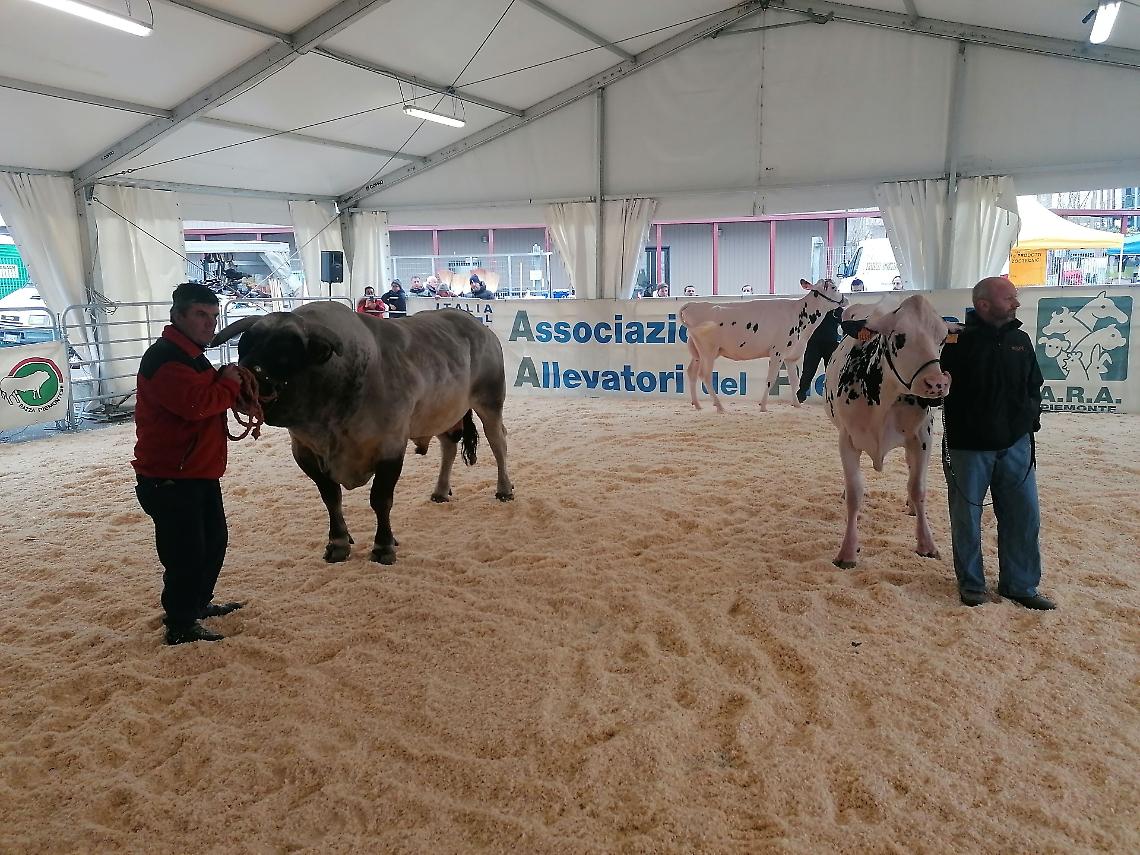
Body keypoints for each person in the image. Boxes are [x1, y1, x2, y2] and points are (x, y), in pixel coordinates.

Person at [132, 283, 245, 645]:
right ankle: (180, 624)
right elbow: (196, 405)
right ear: (178, 315)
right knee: (185, 554)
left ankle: (197, 605)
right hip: (169, 476)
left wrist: (224, 379)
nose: (209, 323)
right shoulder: (165, 358)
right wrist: (227, 383)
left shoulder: (191, 354)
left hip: (196, 471)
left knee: (213, 542)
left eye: (213, 316)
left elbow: (205, 393)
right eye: (200, 314)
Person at [941, 276, 1054, 610]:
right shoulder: (955, 344)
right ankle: (972, 585)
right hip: (968, 447)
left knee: (1025, 516)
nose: (1016, 303)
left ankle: (1020, 586)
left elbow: (1034, 383)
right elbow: (934, 388)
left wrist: (1028, 425)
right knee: (966, 518)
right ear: (984, 304)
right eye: (1010, 299)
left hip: (1016, 445)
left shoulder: (1020, 339)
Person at [796, 302, 842, 402]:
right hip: (814, 343)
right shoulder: (813, 305)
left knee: (831, 372)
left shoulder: (836, 308)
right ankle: (801, 395)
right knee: (808, 371)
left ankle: (833, 396)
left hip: (830, 344)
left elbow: (844, 321)